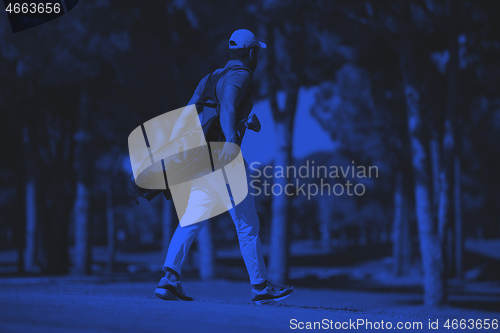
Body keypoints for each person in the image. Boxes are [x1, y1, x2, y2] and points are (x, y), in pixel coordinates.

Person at [154, 29, 294, 305]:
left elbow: (188, 116)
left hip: (202, 158)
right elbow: (228, 106)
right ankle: (261, 288)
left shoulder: (210, 77)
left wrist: (173, 155)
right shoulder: (242, 74)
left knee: (192, 218)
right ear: (252, 52)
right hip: (223, 157)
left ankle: (168, 280)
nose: (258, 56)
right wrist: (231, 141)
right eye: (258, 52)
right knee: (247, 223)